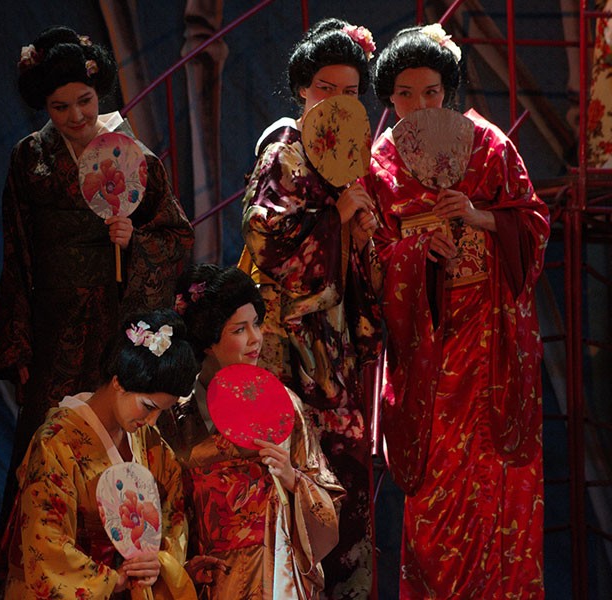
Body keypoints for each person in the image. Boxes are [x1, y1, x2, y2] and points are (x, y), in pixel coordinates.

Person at [0, 26, 194, 548]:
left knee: (120, 441)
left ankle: (125, 559)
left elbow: (175, 236)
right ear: (44, 106)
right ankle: (42, 561)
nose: (76, 116)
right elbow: (19, 253)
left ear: (99, 92)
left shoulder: (134, 157)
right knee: (46, 443)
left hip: (114, 327)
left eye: (85, 100)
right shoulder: (29, 160)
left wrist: (135, 241)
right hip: (53, 330)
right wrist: (19, 343)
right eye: (60, 107)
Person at [366, 24, 550, 598]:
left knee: (500, 484)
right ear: (389, 97)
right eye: (404, 94)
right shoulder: (381, 165)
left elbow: (533, 225)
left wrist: (478, 217)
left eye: (430, 92)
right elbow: (371, 259)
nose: (419, 105)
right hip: (429, 355)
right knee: (436, 502)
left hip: (492, 346)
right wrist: (417, 253)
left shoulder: (490, 146)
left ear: (448, 90)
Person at [240, 18, 384, 599]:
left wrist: (363, 237)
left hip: (335, 345)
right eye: (326, 88)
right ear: (302, 88)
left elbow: (363, 266)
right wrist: (335, 220)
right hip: (284, 344)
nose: (337, 100)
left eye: (350, 91)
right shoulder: (284, 151)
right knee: (285, 474)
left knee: (343, 478)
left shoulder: (353, 156)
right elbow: (264, 239)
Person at [158, 264, 343, 599]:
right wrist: (181, 567)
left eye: (256, 323)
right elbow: (164, 509)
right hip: (212, 580)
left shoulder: (282, 403)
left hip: (277, 574)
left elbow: (327, 496)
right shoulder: (174, 415)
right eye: (239, 329)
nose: (256, 338)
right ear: (208, 340)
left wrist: (292, 479)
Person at [0, 309, 198, 598]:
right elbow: (45, 543)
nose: (151, 421)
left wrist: (158, 560)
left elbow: (174, 509)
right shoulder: (57, 442)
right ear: (118, 381)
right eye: (148, 406)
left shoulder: (147, 440)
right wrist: (112, 580)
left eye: (161, 412)